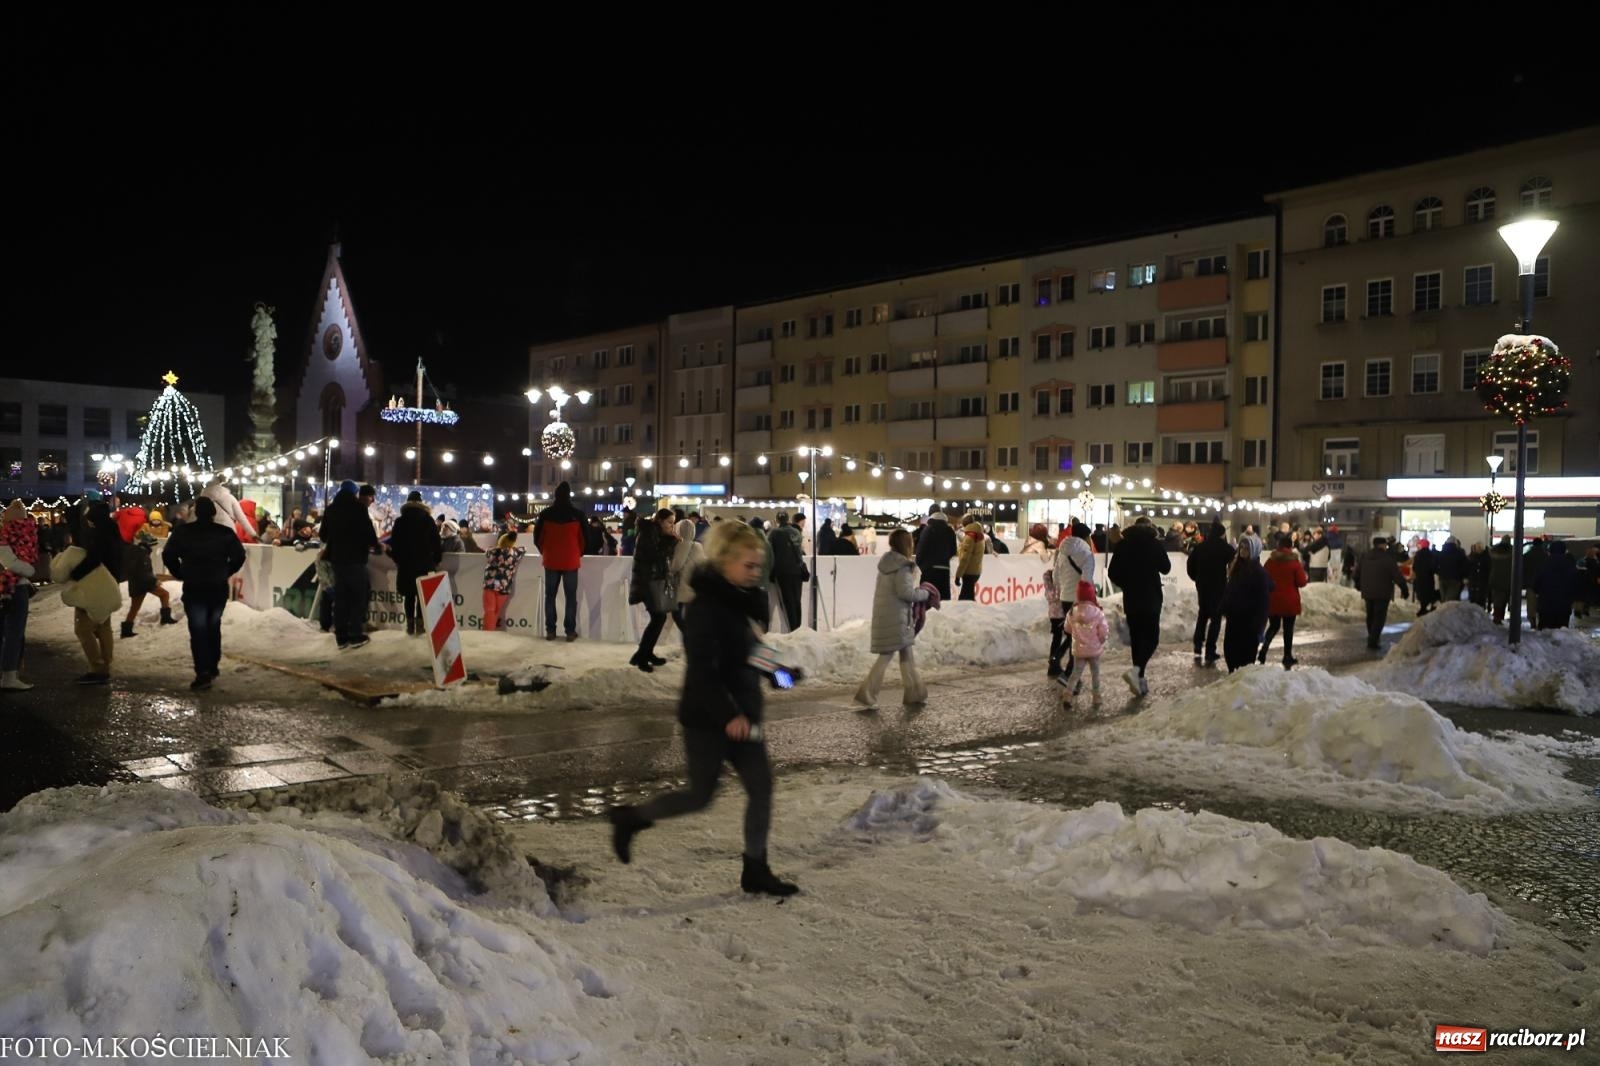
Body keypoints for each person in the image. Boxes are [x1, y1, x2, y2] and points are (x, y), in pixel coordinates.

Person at [606, 521, 799, 898]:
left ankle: (755, 869)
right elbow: (703, 672)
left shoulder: (744, 602)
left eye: (758, 565)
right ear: (725, 562)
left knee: (761, 787)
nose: (755, 572)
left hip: (744, 716)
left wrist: (782, 675)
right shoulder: (704, 609)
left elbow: (753, 650)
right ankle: (631, 817)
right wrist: (730, 716)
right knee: (699, 796)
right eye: (748, 565)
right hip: (708, 719)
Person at [161, 497, 246, 690]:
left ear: (196, 513)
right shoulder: (224, 533)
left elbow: (168, 555)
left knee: (198, 628)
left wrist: (179, 572)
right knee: (213, 625)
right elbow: (239, 556)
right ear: (214, 513)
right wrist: (227, 571)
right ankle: (212, 665)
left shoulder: (183, 532)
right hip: (217, 586)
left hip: (194, 585)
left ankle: (203, 671)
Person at [854, 529, 931, 709]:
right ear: (907, 544)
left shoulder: (887, 564)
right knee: (887, 656)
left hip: (889, 615)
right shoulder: (902, 567)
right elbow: (906, 593)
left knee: (906, 655)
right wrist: (925, 594)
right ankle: (867, 693)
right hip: (897, 618)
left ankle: (915, 692)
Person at [52, 500, 125, 684]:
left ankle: (97, 668)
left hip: (93, 586)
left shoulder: (96, 533)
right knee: (103, 626)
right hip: (110, 584)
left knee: (83, 628)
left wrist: (76, 574)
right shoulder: (113, 529)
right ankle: (106, 665)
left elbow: (93, 558)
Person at [1106, 516, 1171, 696]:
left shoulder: (1123, 545)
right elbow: (1166, 568)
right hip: (1151, 597)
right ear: (1150, 527)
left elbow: (1113, 572)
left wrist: (1127, 584)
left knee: (1137, 639)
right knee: (1152, 638)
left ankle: (1139, 679)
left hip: (1132, 598)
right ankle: (1137, 671)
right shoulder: (1154, 544)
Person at [319, 480, 379, 650]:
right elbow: (369, 533)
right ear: (354, 493)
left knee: (342, 598)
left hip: (337, 561)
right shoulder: (358, 508)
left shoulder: (331, 509)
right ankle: (355, 635)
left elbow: (323, 535)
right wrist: (374, 544)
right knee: (358, 597)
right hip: (355, 559)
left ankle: (341, 637)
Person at [534, 481, 586, 642]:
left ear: (555, 495)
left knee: (550, 596)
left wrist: (545, 551)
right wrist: (578, 553)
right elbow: (585, 538)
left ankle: (551, 631)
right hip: (571, 561)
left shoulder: (545, 514)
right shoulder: (578, 514)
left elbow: (537, 538)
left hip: (551, 560)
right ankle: (570, 631)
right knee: (571, 598)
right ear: (569, 495)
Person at [387, 491, 443, 636]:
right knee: (422, 596)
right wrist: (435, 560)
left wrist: (397, 559)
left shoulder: (400, 521)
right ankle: (420, 625)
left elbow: (395, 544)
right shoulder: (428, 520)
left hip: (406, 565)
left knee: (409, 596)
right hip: (425, 564)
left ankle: (410, 626)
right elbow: (436, 543)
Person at [629, 509, 678, 671]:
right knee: (658, 617)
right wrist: (671, 541)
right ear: (660, 521)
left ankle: (645, 653)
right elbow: (653, 556)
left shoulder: (654, 532)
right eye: (669, 522)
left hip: (650, 581)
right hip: (646, 582)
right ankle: (642, 656)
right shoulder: (648, 533)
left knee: (659, 618)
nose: (672, 526)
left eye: (673, 523)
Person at [0, 499, 40, 691]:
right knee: (14, 632)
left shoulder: (7, 535)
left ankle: (8, 673)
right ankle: (9, 675)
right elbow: (10, 562)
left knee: (9, 632)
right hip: (12, 589)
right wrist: (30, 570)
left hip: (9, 588)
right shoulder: (11, 537)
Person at [1218, 541, 1272, 673]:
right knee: (1231, 654)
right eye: (1241, 547)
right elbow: (1229, 590)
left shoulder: (1259, 573)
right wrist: (1224, 606)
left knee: (1245, 661)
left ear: (1254, 550)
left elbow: (1263, 601)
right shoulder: (1236, 568)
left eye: (1247, 548)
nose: (1243, 550)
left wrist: (1260, 625)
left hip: (1249, 623)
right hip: (1234, 620)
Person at [1050, 521, 1095, 679]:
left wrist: (1065, 588)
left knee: (1072, 635)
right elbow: (1086, 581)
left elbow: (1055, 577)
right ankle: (1069, 673)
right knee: (1077, 637)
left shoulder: (1062, 551)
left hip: (1065, 599)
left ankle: (1057, 661)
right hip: (1079, 599)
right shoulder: (1086, 554)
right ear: (1086, 537)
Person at [119, 516, 176, 639]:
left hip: (135, 584)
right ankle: (166, 618)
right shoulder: (142, 554)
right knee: (165, 594)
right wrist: (154, 581)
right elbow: (144, 572)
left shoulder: (134, 552)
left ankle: (126, 629)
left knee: (135, 607)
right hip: (144, 583)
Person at [1186, 520, 1233, 665]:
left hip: (1202, 586)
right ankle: (1210, 650)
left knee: (1203, 614)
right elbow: (1234, 564)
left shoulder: (1200, 547)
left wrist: (1196, 578)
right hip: (1218, 586)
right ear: (1222, 534)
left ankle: (1197, 644)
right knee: (1216, 618)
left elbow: (1190, 565)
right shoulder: (1225, 548)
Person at [1260, 534, 1308, 667]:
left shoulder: (1271, 561)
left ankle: (1263, 650)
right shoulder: (1294, 562)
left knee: (1273, 626)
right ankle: (1287, 656)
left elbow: (1263, 577)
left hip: (1273, 599)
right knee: (1288, 629)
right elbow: (1301, 582)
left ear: (1279, 546)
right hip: (1289, 601)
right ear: (1290, 547)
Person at [1060, 580, 1108, 704]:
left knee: (1075, 673)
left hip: (1079, 651)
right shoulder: (1098, 612)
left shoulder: (1072, 612)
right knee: (1095, 673)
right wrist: (1100, 641)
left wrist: (1076, 634)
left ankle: (1068, 695)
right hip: (1094, 650)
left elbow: (1067, 629)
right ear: (1091, 595)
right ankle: (1096, 697)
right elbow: (1103, 630)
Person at [1356, 537, 1407, 650]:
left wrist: (1359, 585)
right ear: (1383, 545)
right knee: (1379, 617)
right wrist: (1404, 589)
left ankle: (1372, 636)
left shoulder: (1365, 557)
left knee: (1370, 615)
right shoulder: (1388, 558)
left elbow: (1356, 573)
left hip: (1368, 591)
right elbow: (1397, 575)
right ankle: (1373, 640)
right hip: (1383, 592)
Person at [767, 512, 806, 632]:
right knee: (797, 601)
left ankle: (792, 630)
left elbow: (769, 552)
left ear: (777, 520)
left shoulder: (773, 533)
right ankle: (798, 629)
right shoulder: (796, 532)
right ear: (788, 519)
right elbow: (799, 551)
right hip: (797, 571)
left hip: (782, 572)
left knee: (788, 602)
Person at [481, 532, 527, 632]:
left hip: (490, 584)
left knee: (489, 610)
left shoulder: (492, 551)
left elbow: (487, 551)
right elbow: (524, 549)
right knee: (496, 612)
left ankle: (487, 633)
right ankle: (490, 631)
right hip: (504, 586)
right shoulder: (515, 554)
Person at [1530, 540, 1580, 629]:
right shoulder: (1570, 564)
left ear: (1551, 550)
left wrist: (1538, 591)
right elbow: (1576, 583)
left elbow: (1536, 582)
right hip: (1564, 605)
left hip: (1545, 603)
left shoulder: (1544, 563)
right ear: (1564, 550)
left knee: (1545, 630)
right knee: (1561, 630)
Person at [913, 504, 957, 601]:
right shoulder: (950, 531)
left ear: (930, 514)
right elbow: (953, 551)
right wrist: (944, 560)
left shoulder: (928, 529)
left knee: (928, 602)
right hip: (945, 570)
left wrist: (923, 567)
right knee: (943, 603)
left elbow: (920, 551)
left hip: (929, 572)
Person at [668, 517, 707, 627]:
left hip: (682, 585)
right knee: (691, 614)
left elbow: (675, 566)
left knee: (677, 614)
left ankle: (687, 633)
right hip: (695, 585)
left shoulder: (680, 545)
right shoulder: (699, 546)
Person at [201, 477, 258, 542]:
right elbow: (241, 518)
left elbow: (194, 515)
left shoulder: (202, 499)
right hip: (228, 530)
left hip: (209, 531)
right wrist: (253, 534)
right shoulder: (230, 497)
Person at [954, 511, 988, 601]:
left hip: (969, 572)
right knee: (969, 597)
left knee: (964, 600)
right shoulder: (979, 534)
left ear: (965, 523)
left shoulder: (970, 537)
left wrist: (958, 575)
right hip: (976, 570)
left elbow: (965, 558)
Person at [1522, 537, 1549, 630]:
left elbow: (1523, 570)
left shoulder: (1527, 555)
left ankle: (1532, 621)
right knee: (1542, 604)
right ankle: (1541, 622)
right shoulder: (1546, 556)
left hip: (1531, 584)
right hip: (1543, 584)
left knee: (1531, 605)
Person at [1488, 535, 1514, 624]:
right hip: (1508, 580)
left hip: (1495, 579)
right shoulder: (1512, 551)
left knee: (1497, 600)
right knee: (1505, 600)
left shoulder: (1493, 550)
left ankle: (1497, 618)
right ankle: (1501, 618)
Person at [1437, 538, 1469, 606]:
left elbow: (1436, 565)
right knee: (1450, 600)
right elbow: (1465, 566)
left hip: (1442, 578)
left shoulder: (1441, 553)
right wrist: (1464, 576)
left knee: (1444, 599)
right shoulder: (1460, 553)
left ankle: (1444, 611)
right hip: (1455, 579)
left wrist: (1439, 573)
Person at [1411, 538, 1438, 616]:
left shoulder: (1418, 555)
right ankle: (1428, 607)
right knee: (1429, 592)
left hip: (1419, 578)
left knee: (1421, 593)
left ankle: (1423, 608)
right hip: (1428, 577)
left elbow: (1414, 567)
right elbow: (1433, 567)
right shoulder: (1431, 554)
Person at [1467, 542, 1492, 609]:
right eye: (1477, 548)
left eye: (1479, 548)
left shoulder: (1486, 558)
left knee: (1481, 598)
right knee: (1474, 598)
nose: (1478, 549)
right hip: (1474, 581)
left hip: (1482, 581)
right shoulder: (1473, 557)